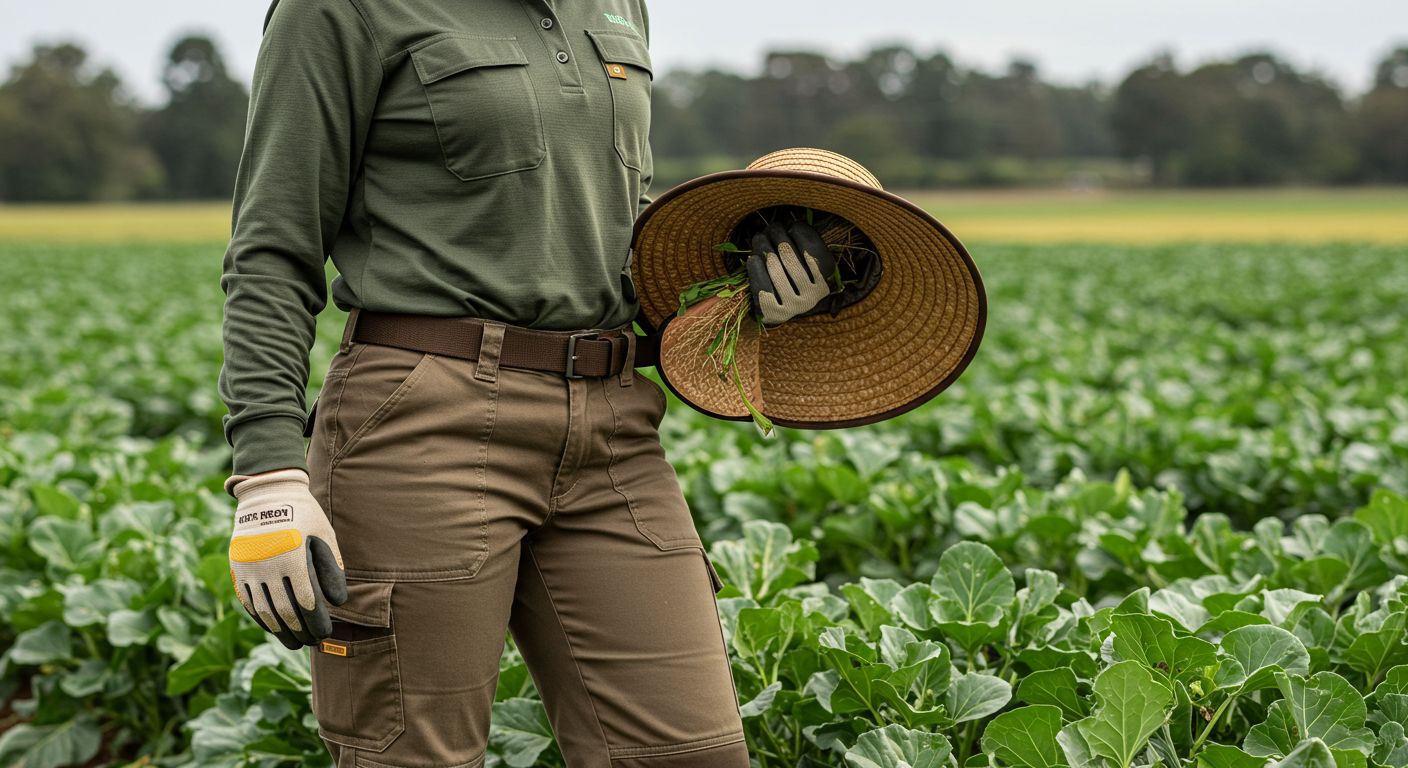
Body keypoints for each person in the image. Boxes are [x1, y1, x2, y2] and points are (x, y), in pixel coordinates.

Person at [215, 1, 833, 766]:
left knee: (690, 753)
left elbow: (610, 215)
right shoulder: (339, 9)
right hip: (422, 420)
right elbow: (274, 249)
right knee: (415, 756)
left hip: (613, 425)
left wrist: (740, 282)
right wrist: (270, 475)